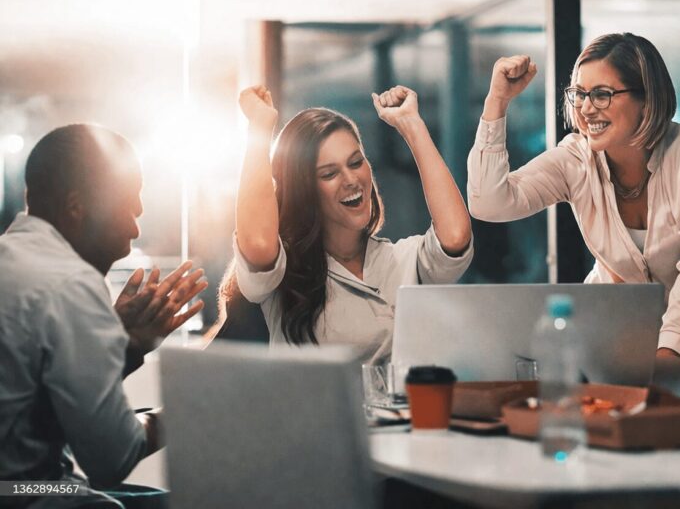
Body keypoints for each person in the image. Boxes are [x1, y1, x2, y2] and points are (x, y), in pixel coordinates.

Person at [468, 33, 680, 399]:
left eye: (602, 94)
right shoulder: (575, 160)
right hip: (625, 337)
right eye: (579, 94)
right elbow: (488, 202)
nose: (586, 108)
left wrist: (669, 352)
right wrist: (497, 103)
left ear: (646, 100)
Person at [0, 124, 207, 508]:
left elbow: (38, 412)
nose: (135, 226)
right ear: (77, 207)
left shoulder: (14, 258)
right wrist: (187, 409)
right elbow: (111, 458)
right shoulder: (69, 282)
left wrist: (120, 351)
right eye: (129, 203)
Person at [229, 85, 472, 360]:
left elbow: (455, 235)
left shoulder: (401, 259)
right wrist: (260, 129)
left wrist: (411, 125)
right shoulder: (284, 272)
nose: (351, 180)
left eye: (356, 162)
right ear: (304, 189)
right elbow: (259, 243)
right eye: (329, 173)